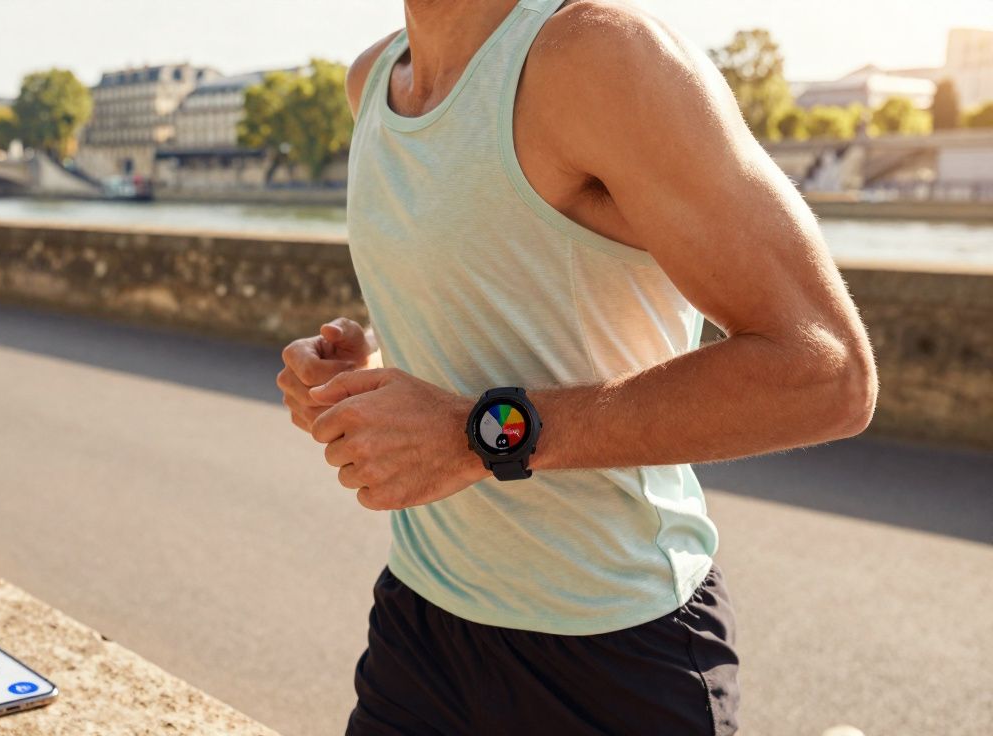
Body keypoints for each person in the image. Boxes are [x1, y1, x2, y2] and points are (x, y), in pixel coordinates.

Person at [276, 1, 878, 734]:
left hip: (612, 643)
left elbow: (827, 372)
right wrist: (367, 365)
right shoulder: (374, 79)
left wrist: (474, 436)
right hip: (422, 620)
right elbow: (512, 279)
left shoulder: (598, 56)